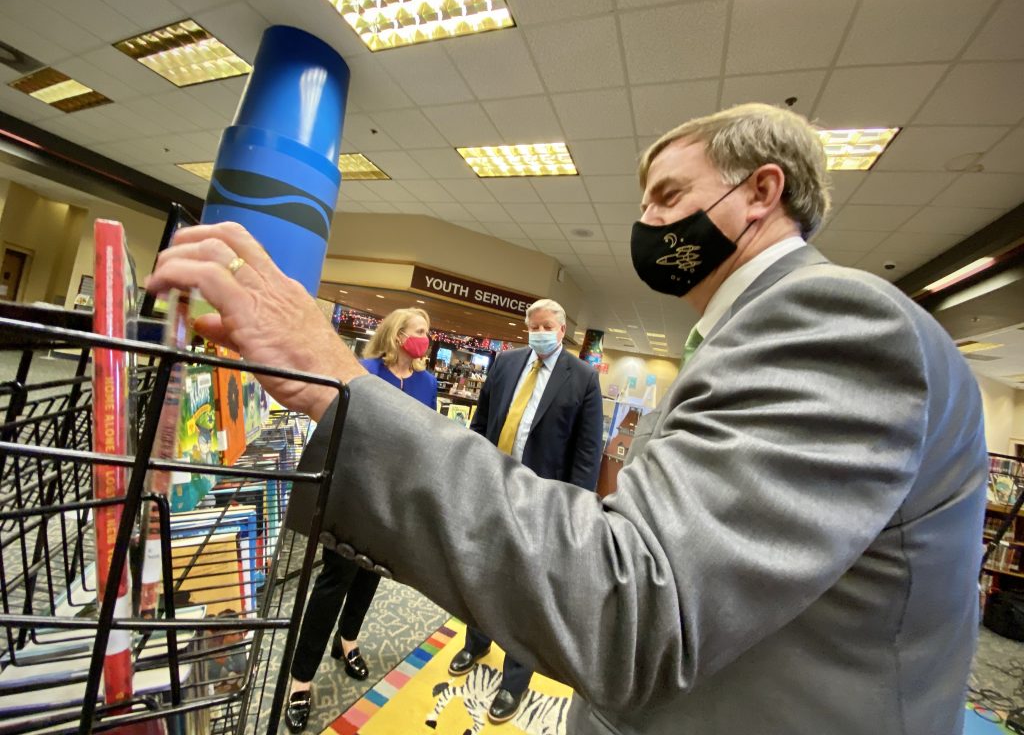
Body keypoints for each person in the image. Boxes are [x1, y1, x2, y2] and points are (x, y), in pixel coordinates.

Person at [147, 103, 987, 735]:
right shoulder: (747, 334)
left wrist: (341, 386)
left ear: (761, 192)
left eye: (669, 196)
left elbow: (640, 606)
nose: (649, 223)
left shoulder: (833, 317)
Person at [447, 298, 603, 724]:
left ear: (562, 328)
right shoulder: (505, 362)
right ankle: (476, 641)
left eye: (547, 325)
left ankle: (514, 680)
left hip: (540, 502)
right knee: (477, 573)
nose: (540, 332)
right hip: (490, 490)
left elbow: (588, 455)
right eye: (533, 325)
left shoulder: (583, 378)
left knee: (524, 590)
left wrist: (573, 513)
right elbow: (480, 425)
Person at [283, 307, 437, 733]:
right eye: (419, 331)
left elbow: (428, 437)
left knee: (372, 574)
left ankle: (347, 640)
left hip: (395, 500)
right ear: (397, 334)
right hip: (353, 493)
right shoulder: (364, 371)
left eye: (427, 332)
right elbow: (340, 426)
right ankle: (301, 680)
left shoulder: (428, 382)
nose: (425, 338)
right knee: (334, 582)